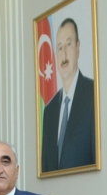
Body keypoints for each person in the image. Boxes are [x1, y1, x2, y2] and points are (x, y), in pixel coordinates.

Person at [41, 18, 96, 173]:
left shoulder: (93, 95)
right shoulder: (49, 111)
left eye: (68, 44)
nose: (64, 54)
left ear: (78, 47)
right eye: (59, 48)